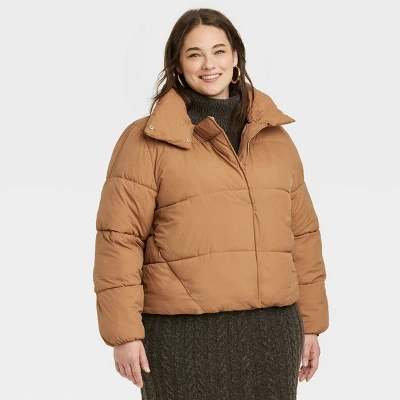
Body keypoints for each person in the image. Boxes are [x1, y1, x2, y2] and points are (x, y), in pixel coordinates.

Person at [93, 7, 329, 400]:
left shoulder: (275, 140)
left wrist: (311, 326)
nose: (209, 64)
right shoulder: (146, 140)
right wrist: (124, 334)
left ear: (235, 57)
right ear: (177, 64)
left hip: (271, 334)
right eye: (194, 54)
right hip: (180, 337)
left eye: (219, 51)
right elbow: (119, 239)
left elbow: (303, 236)